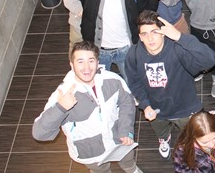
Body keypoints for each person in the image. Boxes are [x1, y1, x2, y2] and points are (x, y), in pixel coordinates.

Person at [32, 41, 142, 173]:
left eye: (91, 60)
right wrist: (60, 108)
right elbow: (39, 133)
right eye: (80, 61)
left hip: (118, 139)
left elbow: (127, 103)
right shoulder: (63, 94)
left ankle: (131, 170)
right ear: (72, 65)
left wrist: (126, 130)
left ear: (97, 62)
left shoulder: (113, 80)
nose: (87, 67)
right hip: (90, 152)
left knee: (128, 161)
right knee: (100, 170)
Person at [124, 10, 215, 159]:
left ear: (163, 32)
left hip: (185, 108)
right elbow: (134, 82)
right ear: (140, 37)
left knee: (191, 134)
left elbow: (210, 59)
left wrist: (180, 37)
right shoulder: (133, 54)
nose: (150, 38)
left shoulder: (177, 49)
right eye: (144, 34)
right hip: (155, 110)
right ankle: (164, 138)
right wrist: (145, 104)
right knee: (161, 130)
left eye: (154, 32)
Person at [63, 0, 158, 80]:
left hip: (125, 49)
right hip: (99, 50)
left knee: (133, 83)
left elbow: (148, 11)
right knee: (101, 85)